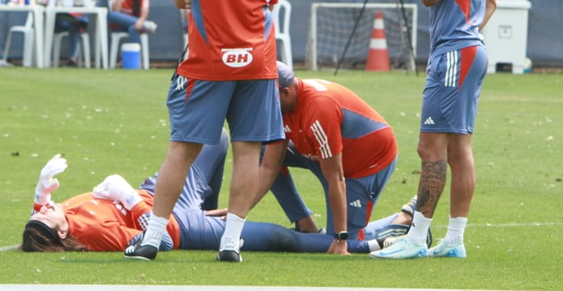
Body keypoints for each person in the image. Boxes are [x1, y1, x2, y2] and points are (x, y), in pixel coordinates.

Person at [125, 0, 283, 263]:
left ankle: (153, 237)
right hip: (257, 64)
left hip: (206, 63)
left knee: (182, 150)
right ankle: (230, 242)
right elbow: (271, 2)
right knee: (248, 152)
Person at [21, 131, 416, 254]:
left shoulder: (61, 215)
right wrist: (128, 200)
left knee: (216, 139)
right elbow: (147, 235)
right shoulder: (90, 234)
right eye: (45, 213)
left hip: (165, 189)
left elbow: (41, 216)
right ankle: (383, 235)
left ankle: (213, 212)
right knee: (278, 239)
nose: (46, 207)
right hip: (178, 224)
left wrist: (41, 189)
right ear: (60, 233)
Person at [371, 0, 496, 260]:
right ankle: (454, 240)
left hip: (455, 54)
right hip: (468, 50)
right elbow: (490, 1)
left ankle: (416, 237)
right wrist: (470, 34)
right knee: (459, 150)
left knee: (430, 148)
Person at [253, 62, 399, 256]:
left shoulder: (319, 109)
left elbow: (336, 178)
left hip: (366, 163)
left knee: (345, 241)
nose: (265, 105)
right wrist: (239, 211)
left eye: (268, 99)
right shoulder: (284, 106)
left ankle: (403, 219)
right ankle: (306, 224)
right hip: (324, 154)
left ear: (287, 92)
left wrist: (340, 238)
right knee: (264, 152)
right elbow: (270, 166)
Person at [41, 0, 89, 67]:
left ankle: (72, 60)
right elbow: (43, 1)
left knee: (74, 25)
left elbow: (85, 7)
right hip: (59, 22)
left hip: (74, 21)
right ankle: (80, 22)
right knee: (68, 18)